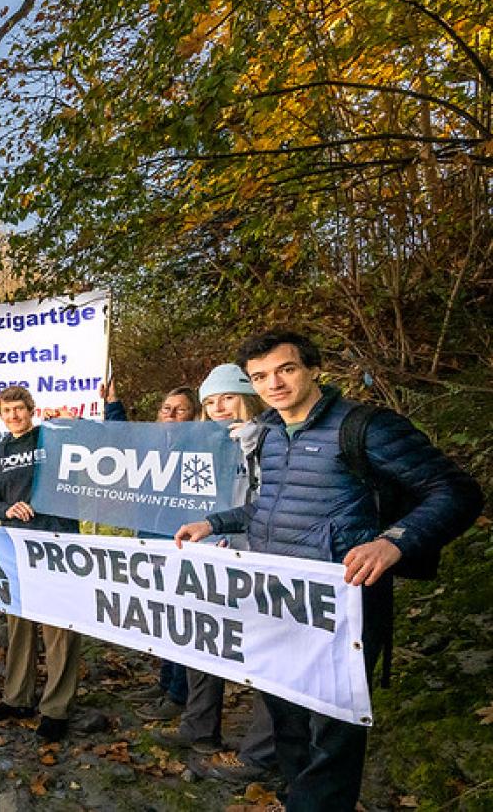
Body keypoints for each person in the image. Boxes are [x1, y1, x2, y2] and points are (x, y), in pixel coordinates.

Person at [175, 330, 482, 811]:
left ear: (313, 368)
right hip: (276, 599)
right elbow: (272, 507)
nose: (273, 384)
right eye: (260, 377)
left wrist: (393, 542)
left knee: (333, 732)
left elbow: (457, 492)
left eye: (286, 369)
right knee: (287, 720)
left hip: (344, 605)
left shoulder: (367, 427)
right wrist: (212, 522)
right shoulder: (272, 434)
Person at [157, 364, 278, 780]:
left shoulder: (271, 437)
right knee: (203, 637)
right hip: (214, 554)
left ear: (247, 396)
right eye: (209, 402)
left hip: (261, 559)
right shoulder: (212, 442)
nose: (219, 407)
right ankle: (199, 726)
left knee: (265, 652)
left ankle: (260, 754)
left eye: (226, 397)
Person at [0, 386, 78, 742]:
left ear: (31, 410)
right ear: (0, 415)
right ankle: (17, 697)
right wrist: (5, 510)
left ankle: (56, 708)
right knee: (19, 624)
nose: (14, 416)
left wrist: (67, 426)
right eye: (7, 411)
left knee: (59, 628)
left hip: (58, 544)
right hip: (16, 548)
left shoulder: (51, 440)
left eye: (19, 409)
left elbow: (88, 451)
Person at [132, 386, 201, 722]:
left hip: (181, 543)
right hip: (149, 540)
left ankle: (179, 692)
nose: (172, 415)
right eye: (166, 408)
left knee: (180, 616)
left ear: (195, 415)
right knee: (160, 616)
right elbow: (116, 442)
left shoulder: (202, 447)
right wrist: (112, 402)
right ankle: (164, 681)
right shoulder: (150, 445)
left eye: (181, 410)